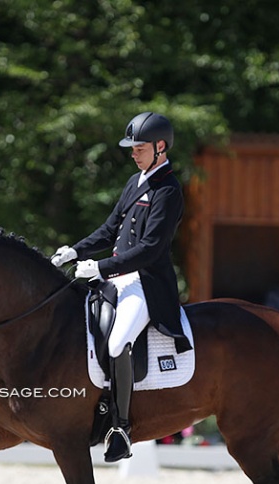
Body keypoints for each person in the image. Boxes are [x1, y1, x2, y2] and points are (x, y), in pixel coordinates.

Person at [51, 111, 192, 462]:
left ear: (161, 147)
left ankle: (121, 428)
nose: (133, 153)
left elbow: (149, 250)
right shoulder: (137, 180)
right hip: (116, 278)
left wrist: (98, 266)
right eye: (132, 147)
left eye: (140, 147)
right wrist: (75, 250)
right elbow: (109, 228)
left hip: (146, 283)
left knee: (116, 344)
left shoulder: (168, 190)